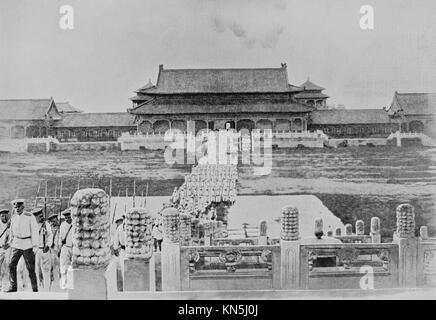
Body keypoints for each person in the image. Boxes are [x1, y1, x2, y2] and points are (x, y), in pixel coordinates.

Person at [5, 199, 39, 292]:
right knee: (11, 265)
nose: (17, 209)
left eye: (19, 207)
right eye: (15, 207)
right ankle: (13, 286)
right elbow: (11, 232)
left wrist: (35, 245)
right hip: (16, 244)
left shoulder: (29, 216)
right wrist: (9, 242)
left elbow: (34, 231)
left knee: (31, 268)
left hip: (27, 244)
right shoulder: (14, 217)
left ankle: (35, 289)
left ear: (23, 207)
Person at [33, 207, 53, 291]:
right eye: (39, 216)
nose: (41, 218)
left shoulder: (46, 224)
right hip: (37, 251)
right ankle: (39, 289)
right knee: (37, 271)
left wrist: (48, 245)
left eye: (42, 216)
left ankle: (47, 290)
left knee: (46, 271)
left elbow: (50, 236)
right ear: (35, 217)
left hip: (45, 250)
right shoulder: (33, 225)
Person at [58, 208, 73, 290]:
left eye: (69, 217)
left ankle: (71, 284)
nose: (68, 219)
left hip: (74, 248)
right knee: (64, 267)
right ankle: (64, 284)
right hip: (65, 247)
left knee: (73, 267)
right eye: (66, 217)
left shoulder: (76, 224)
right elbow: (60, 238)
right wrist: (60, 249)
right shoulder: (62, 225)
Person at [47, 213, 61, 291]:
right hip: (50, 251)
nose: (53, 223)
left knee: (57, 268)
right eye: (51, 222)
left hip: (57, 250)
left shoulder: (60, 229)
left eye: (54, 221)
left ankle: (57, 284)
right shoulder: (49, 230)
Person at [0, 209, 11, 290]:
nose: (4, 218)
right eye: (2, 216)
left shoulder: (11, 225)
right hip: (0, 249)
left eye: (6, 216)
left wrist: (9, 244)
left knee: (8, 266)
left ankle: (8, 285)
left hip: (8, 249)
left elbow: (13, 236)